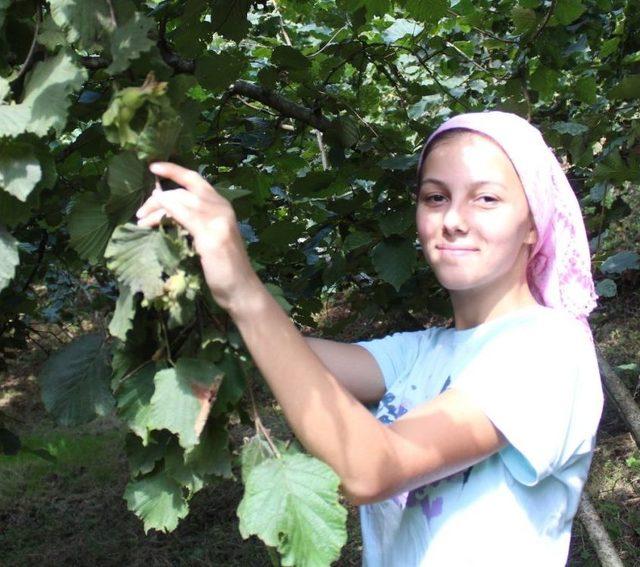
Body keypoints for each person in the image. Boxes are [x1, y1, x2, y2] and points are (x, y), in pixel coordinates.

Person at [135, 110, 604, 566]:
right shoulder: (422, 350)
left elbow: (372, 469)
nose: (454, 220)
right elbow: (288, 356)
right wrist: (203, 268)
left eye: (486, 199)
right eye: (435, 197)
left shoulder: (552, 350)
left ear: (533, 225)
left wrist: (243, 288)